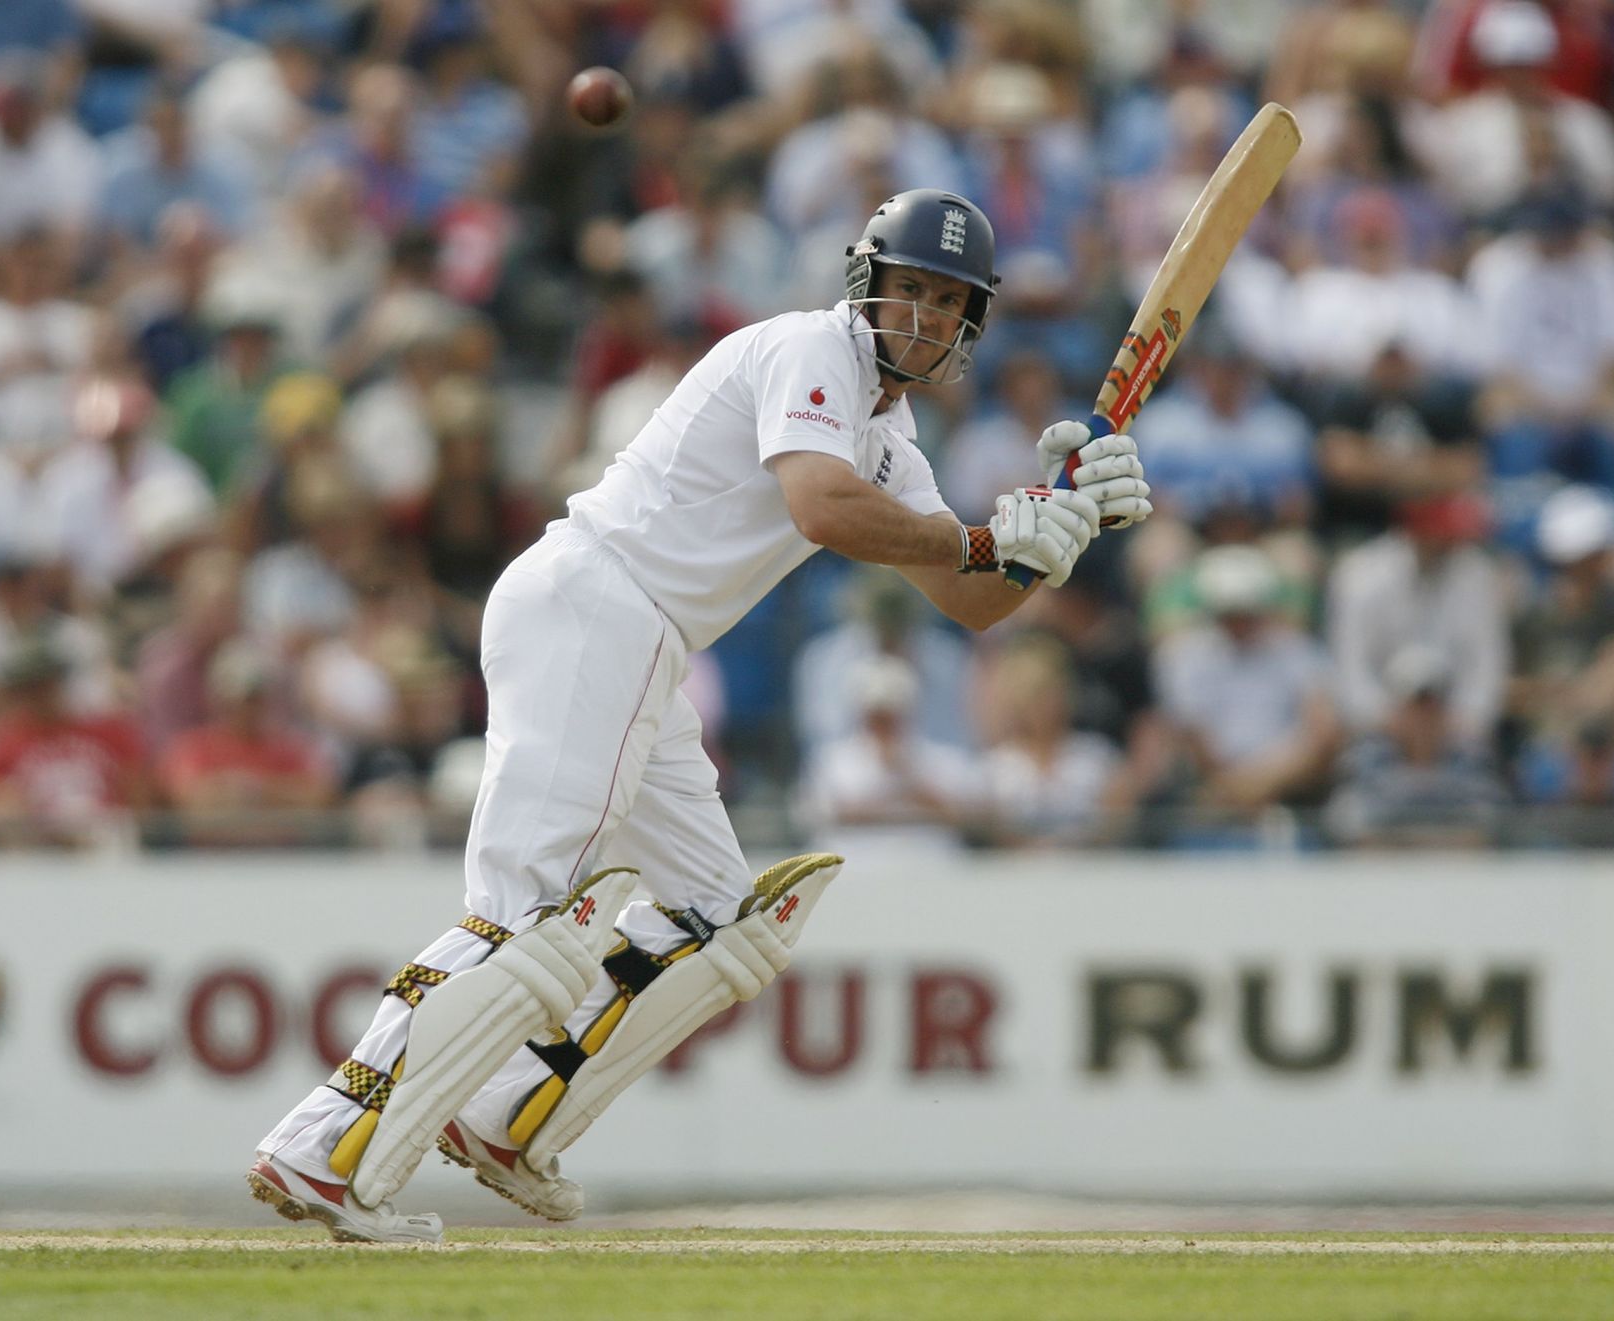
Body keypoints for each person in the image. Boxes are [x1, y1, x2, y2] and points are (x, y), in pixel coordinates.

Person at [244, 189, 1152, 1243]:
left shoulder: (891, 437)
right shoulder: (815, 350)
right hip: (604, 605)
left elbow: (974, 600)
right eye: (910, 289)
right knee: (521, 913)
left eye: (949, 302)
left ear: (973, 321)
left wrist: (1062, 524)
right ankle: (325, 1147)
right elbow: (826, 507)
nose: (926, 316)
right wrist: (992, 537)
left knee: (720, 918)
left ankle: (508, 1119)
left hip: (639, 642)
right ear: (867, 283)